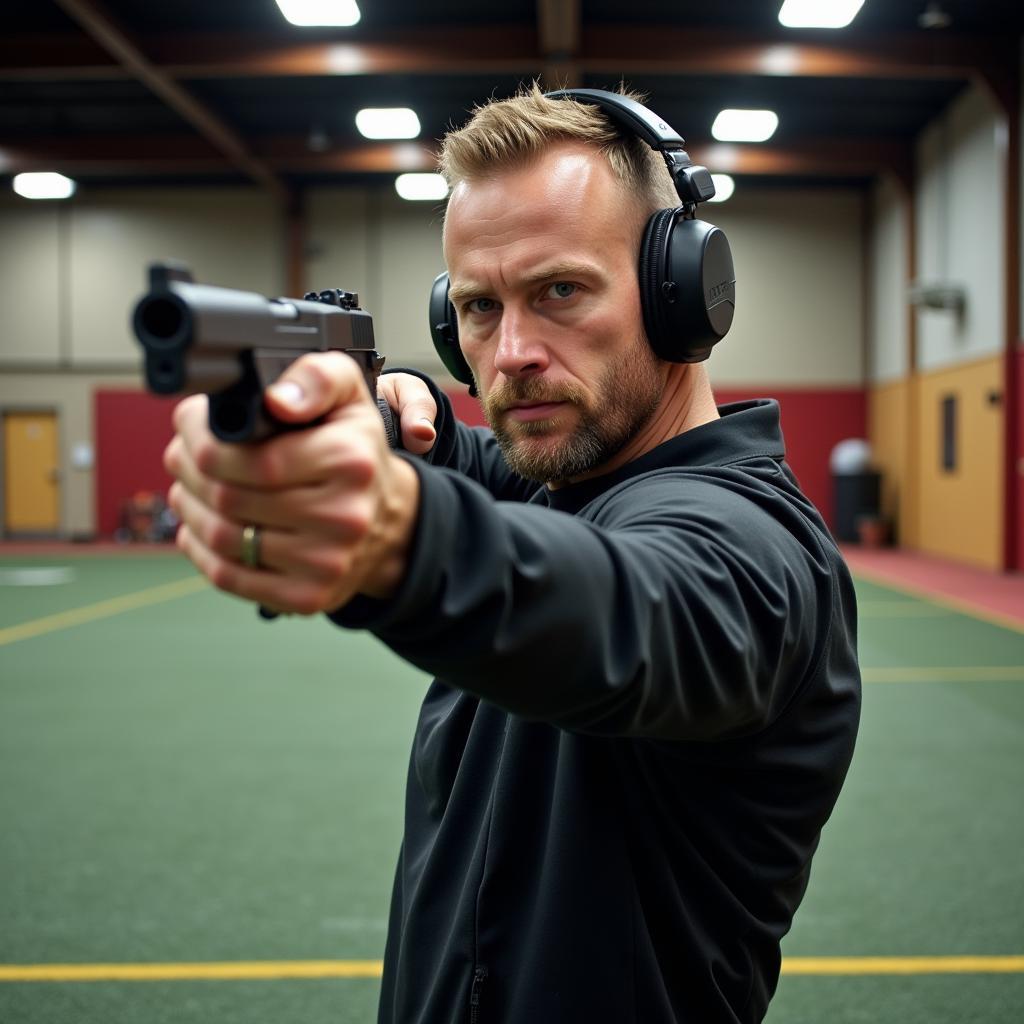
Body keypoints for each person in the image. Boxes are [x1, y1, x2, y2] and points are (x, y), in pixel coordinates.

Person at [165, 86, 860, 1024]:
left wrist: (401, 534)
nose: (512, 353)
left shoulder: (754, 548)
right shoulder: (571, 480)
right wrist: (396, 410)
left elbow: (630, 612)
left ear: (682, 295)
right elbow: (483, 464)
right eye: (478, 308)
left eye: (560, 291)